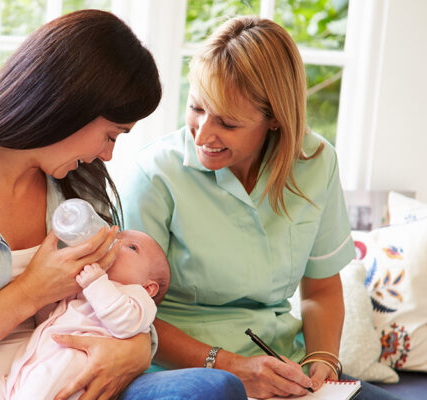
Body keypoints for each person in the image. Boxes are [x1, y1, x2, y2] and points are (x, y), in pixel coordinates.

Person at [0, 9, 246, 400]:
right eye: (110, 135)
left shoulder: (81, 186)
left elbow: (124, 303)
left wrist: (134, 349)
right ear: (70, 105)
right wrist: (28, 293)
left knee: (213, 388)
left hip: (82, 385)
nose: (108, 156)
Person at [118, 15, 404, 400]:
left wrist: (322, 361)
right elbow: (130, 314)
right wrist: (235, 368)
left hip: (280, 365)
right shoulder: (154, 175)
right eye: (196, 108)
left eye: (227, 123)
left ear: (274, 120)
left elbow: (320, 289)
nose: (202, 134)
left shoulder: (316, 163)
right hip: (175, 372)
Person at [0, 229, 171, 399]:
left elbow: (126, 323)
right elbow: (47, 317)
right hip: (34, 358)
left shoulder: (137, 297)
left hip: (73, 362)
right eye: (116, 238)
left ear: (149, 287)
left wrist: (96, 283)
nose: (115, 244)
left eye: (132, 247)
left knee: (36, 390)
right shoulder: (84, 287)